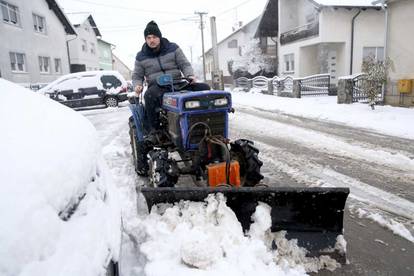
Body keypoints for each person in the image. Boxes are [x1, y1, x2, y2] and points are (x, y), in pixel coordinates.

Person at [132, 21, 210, 132]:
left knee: (204, 88)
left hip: (179, 84)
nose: (151, 40)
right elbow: (137, 75)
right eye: (148, 38)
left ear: (159, 37)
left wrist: (190, 75)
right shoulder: (141, 56)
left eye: (154, 37)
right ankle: (154, 130)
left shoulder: (173, 48)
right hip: (158, 88)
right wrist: (138, 85)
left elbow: (184, 64)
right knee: (148, 96)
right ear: (145, 39)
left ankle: (204, 121)